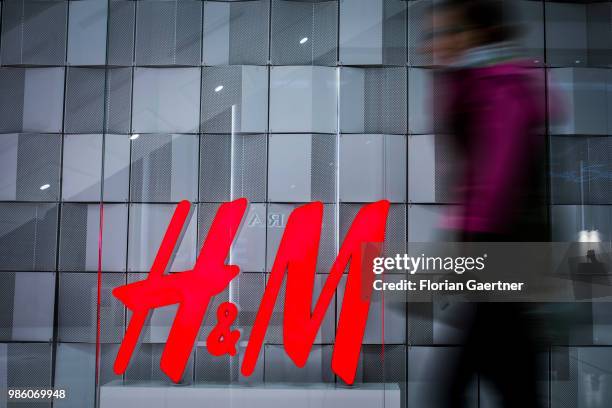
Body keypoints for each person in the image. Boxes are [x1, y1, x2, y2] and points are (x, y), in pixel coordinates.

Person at [424, 0, 550, 407]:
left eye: (445, 33)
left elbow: (499, 174)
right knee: (514, 376)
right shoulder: (475, 82)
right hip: (494, 246)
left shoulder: (499, 85)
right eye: (431, 36)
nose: (433, 46)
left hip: (500, 246)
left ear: (476, 35)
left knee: (458, 381)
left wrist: (472, 249)